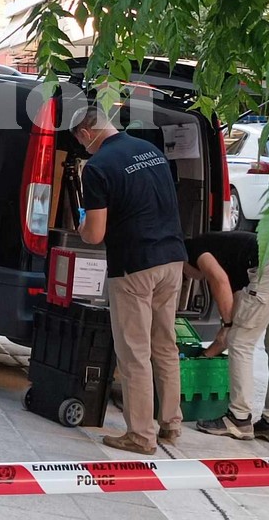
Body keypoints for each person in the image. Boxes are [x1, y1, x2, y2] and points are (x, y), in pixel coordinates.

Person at [72, 104, 187, 455]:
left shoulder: (98, 167)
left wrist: (80, 225)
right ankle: (171, 423)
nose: (83, 148)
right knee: (164, 344)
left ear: (86, 133)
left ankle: (140, 436)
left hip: (134, 266)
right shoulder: (150, 150)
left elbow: (95, 234)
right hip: (172, 259)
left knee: (134, 352)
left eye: (80, 141)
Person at [184, 231, 269, 442]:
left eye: (183, 271)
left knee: (241, 343)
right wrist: (211, 349)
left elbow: (219, 281)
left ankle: (239, 419)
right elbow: (236, 305)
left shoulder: (193, 248)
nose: (187, 276)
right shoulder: (229, 254)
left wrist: (227, 326)